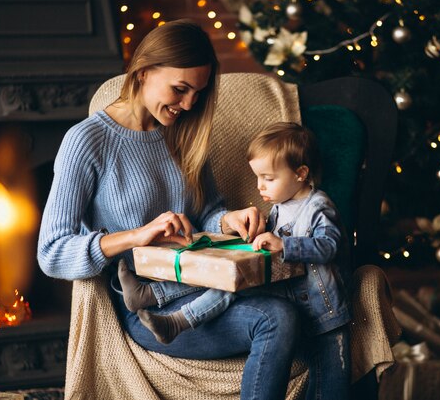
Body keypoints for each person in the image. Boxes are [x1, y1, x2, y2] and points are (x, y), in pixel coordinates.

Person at [37, 19, 300, 400]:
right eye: (180, 89)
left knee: (307, 301)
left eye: (198, 92)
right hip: (148, 307)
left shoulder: (183, 131)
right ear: (143, 72)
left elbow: (206, 212)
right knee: (278, 318)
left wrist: (229, 219)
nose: (189, 103)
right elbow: (51, 253)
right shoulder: (86, 141)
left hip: (205, 281)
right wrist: (137, 236)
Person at [119, 122, 351, 400]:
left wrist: (283, 244)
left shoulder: (318, 206)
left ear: (301, 173)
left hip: (323, 313)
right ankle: (156, 298)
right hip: (289, 297)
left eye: (268, 178)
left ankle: (168, 310)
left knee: (331, 390)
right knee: (228, 280)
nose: (259, 186)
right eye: (257, 177)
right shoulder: (280, 206)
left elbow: (330, 245)